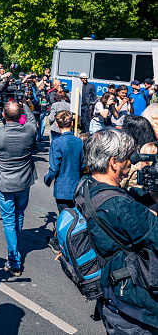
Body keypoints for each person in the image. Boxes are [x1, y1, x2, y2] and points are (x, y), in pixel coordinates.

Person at [80, 130, 158, 333]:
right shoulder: (119, 206)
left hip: (111, 294)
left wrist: (151, 195)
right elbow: (139, 221)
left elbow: (126, 198)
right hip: (134, 309)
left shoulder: (86, 186)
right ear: (113, 162)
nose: (131, 163)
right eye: (127, 157)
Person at [0, 101, 37, 276]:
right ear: (20, 116)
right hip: (24, 181)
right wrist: (25, 104)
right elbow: (32, 119)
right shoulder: (29, 130)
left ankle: (14, 260)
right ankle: (15, 252)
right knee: (19, 215)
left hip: (4, 182)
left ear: (3, 115)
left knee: (9, 219)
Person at [44, 110, 84, 252]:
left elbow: (54, 168)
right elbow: (83, 164)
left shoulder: (57, 143)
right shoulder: (79, 141)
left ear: (57, 125)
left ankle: (59, 243)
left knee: (63, 216)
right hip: (76, 185)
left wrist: (47, 179)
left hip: (62, 187)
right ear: (72, 123)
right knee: (74, 215)